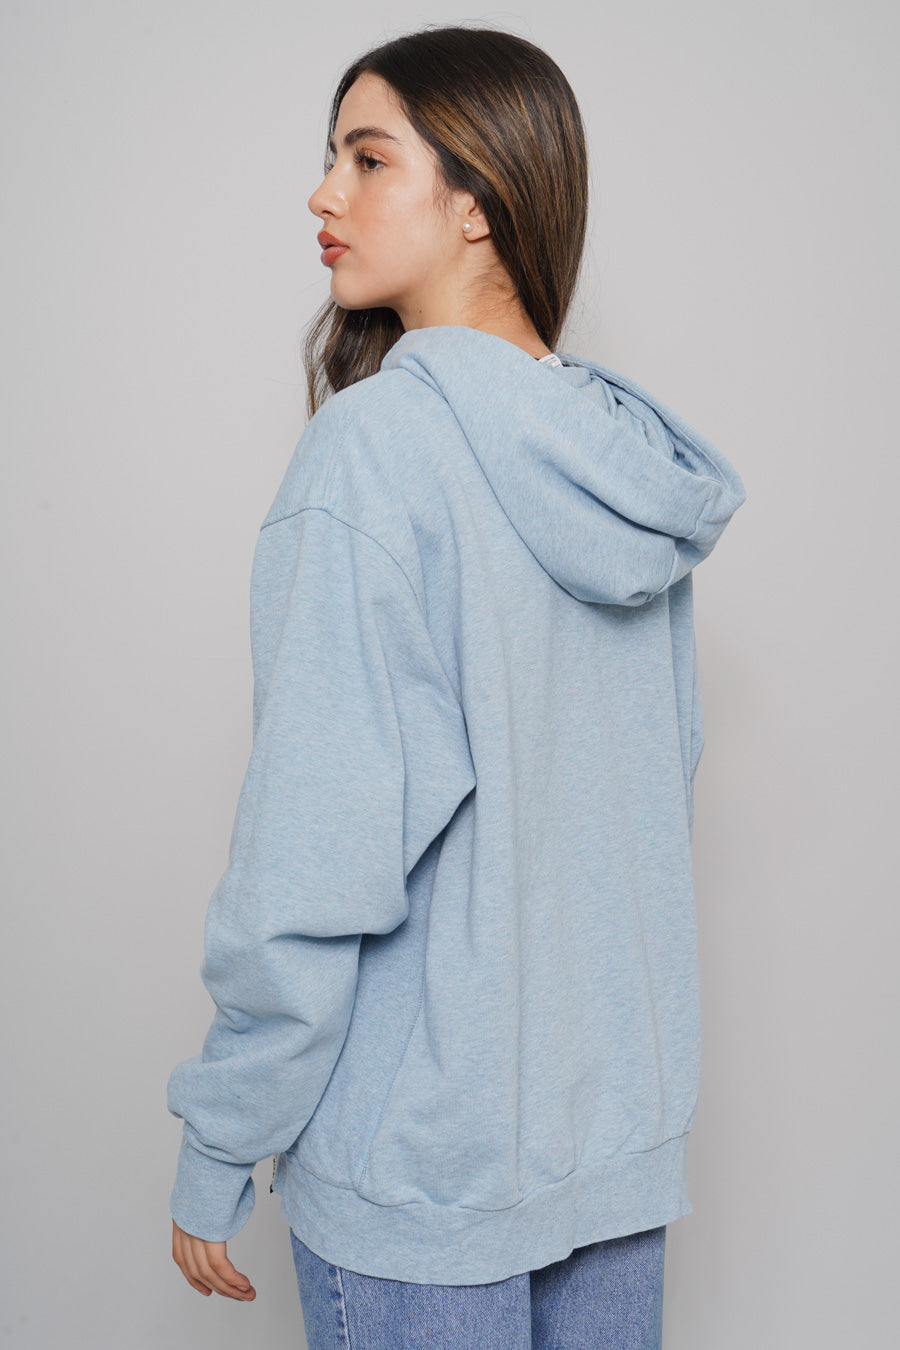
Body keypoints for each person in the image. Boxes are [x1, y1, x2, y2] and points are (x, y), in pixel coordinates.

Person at [166, 23, 746, 1349]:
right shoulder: (621, 463)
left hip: (424, 1167)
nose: (323, 194)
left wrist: (223, 1132)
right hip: (610, 1147)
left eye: (368, 159)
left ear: (479, 200)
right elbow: (650, 801)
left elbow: (315, 854)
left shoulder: (374, 451)